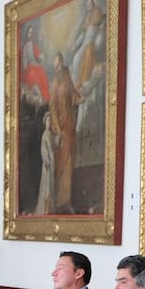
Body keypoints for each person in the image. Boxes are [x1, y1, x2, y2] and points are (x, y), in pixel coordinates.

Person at [47, 52, 81, 213]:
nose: (56, 62)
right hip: (60, 126)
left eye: (57, 59)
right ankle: (59, 200)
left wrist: (78, 98)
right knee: (60, 162)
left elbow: (73, 93)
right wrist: (57, 127)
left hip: (69, 123)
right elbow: (52, 105)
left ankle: (66, 200)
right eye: (55, 60)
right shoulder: (54, 82)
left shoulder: (66, 77)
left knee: (69, 161)